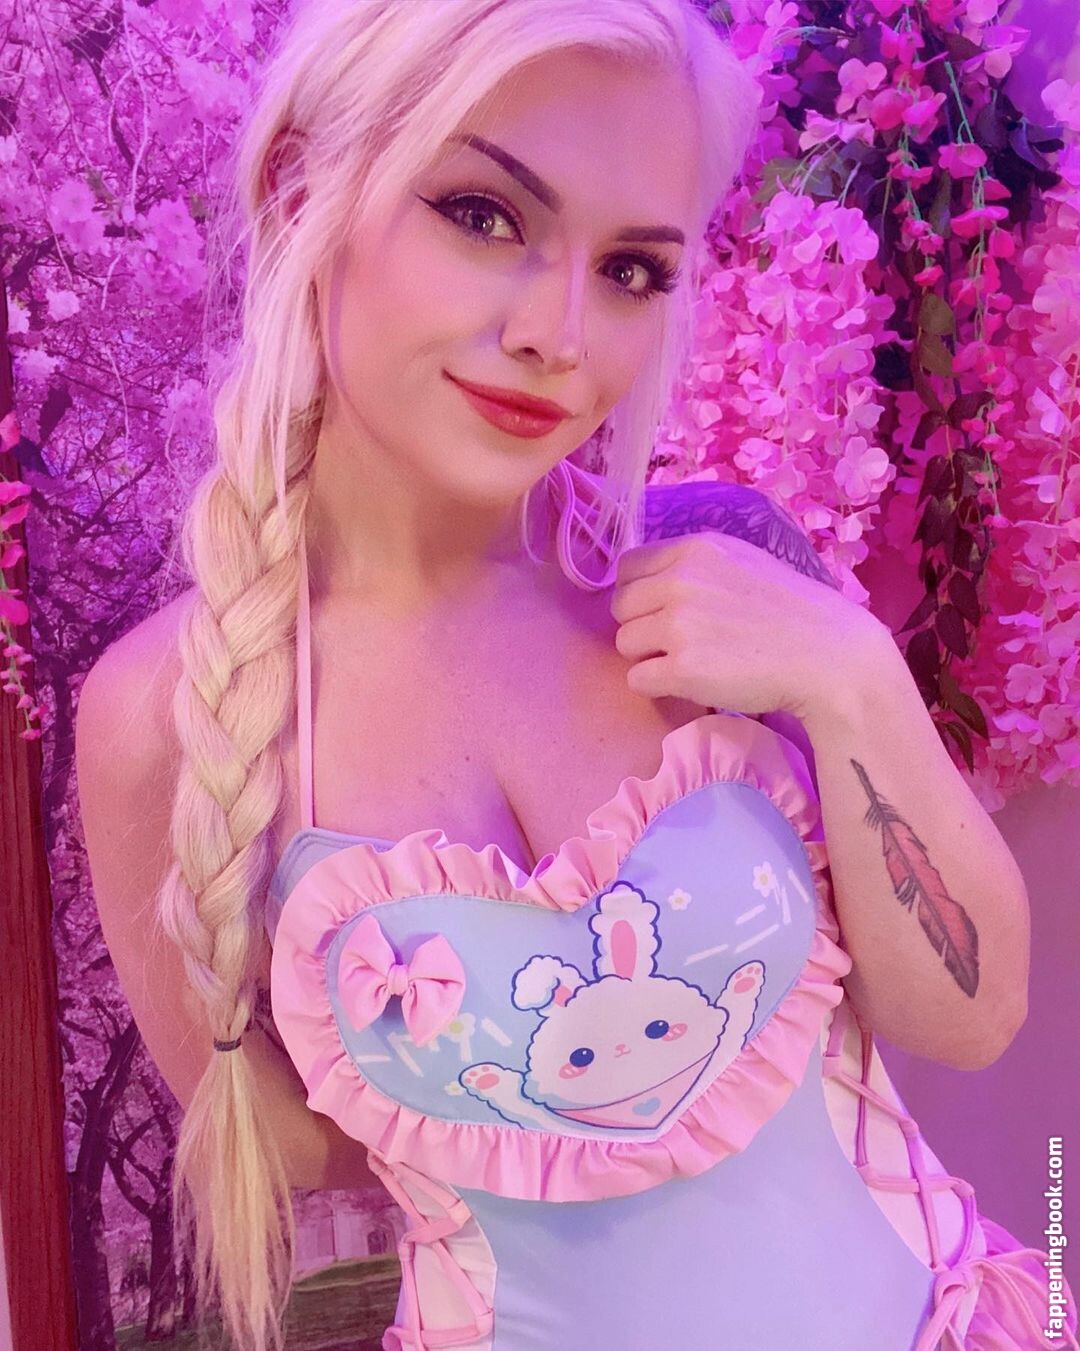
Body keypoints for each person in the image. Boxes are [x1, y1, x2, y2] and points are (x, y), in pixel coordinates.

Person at [74, 2, 1078, 1350]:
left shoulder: (724, 572)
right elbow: (306, 1160)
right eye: (485, 215)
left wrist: (852, 676)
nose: (561, 333)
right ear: (303, 191)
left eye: (633, 270)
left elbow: (972, 1018)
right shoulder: (165, 713)